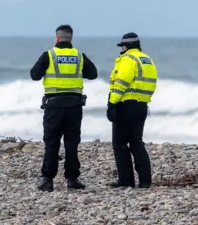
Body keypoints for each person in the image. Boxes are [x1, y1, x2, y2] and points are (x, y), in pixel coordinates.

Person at [30, 24, 98, 192]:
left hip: (54, 106)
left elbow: (34, 75)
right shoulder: (79, 56)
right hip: (74, 106)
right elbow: (93, 74)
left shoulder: (49, 55)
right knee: (72, 143)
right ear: (70, 38)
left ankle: (48, 180)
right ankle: (72, 179)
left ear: (57, 38)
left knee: (52, 142)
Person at [107, 32, 157, 189]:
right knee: (136, 142)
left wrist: (111, 104)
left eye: (122, 46)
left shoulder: (128, 60)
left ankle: (126, 181)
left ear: (126, 46)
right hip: (142, 106)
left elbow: (121, 83)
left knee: (120, 144)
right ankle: (145, 181)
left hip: (125, 106)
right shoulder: (147, 60)